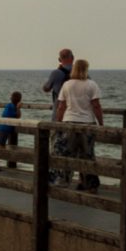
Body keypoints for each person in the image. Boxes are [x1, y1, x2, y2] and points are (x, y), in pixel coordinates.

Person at [53, 58, 105, 191]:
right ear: (86, 69)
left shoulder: (67, 85)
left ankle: (63, 181)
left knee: (66, 152)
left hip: (69, 121)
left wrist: (58, 124)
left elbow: (61, 106)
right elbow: (96, 106)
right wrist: (101, 123)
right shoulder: (92, 84)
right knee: (87, 154)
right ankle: (90, 184)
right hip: (87, 123)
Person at [42, 49, 75, 185]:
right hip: (74, 115)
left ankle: (56, 176)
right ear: (72, 58)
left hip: (58, 115)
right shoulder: (80, 73)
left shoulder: (56, 73)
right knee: (72, 148)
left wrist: (58, 70)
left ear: (60, 59)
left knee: (56, 147)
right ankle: (69, 176)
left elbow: (46, 88)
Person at [0, 91, 22, 167]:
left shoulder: (8, 105)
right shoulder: (13, 107)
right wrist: (18, 108)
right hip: (5, 129)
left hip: (0, 126)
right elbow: (18, 116)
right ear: (19, 100)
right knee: (1, 146)